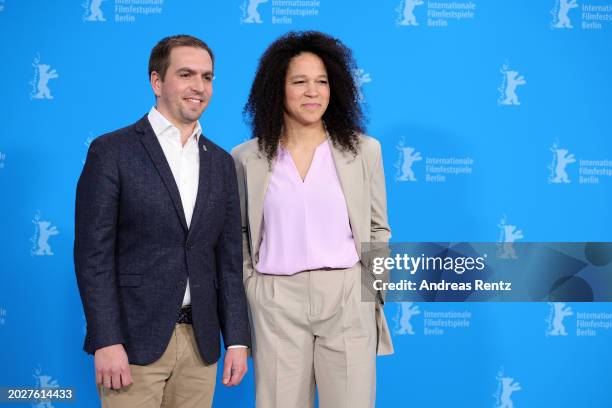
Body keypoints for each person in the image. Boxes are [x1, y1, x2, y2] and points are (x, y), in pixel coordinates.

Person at [74, 34, 250, 408]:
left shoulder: (221, 162)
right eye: (186, 74)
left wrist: (236, 338)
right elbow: (93, 256)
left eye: (207, 77)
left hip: (201, 344)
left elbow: (230, 261)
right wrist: (106, 339)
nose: (199, 86)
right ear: (157, 82)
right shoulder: (112, 151)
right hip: (132, 342)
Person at [232, 31, 393, 408]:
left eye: (322, 82)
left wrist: (373, 291)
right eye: (299, 81)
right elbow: (239, 232)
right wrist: (252, 288)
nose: (313, 92)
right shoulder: (246, 158)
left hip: (347, 295)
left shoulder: (364, 151)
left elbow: (378, 229)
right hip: (275, 301)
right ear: (277, 88)